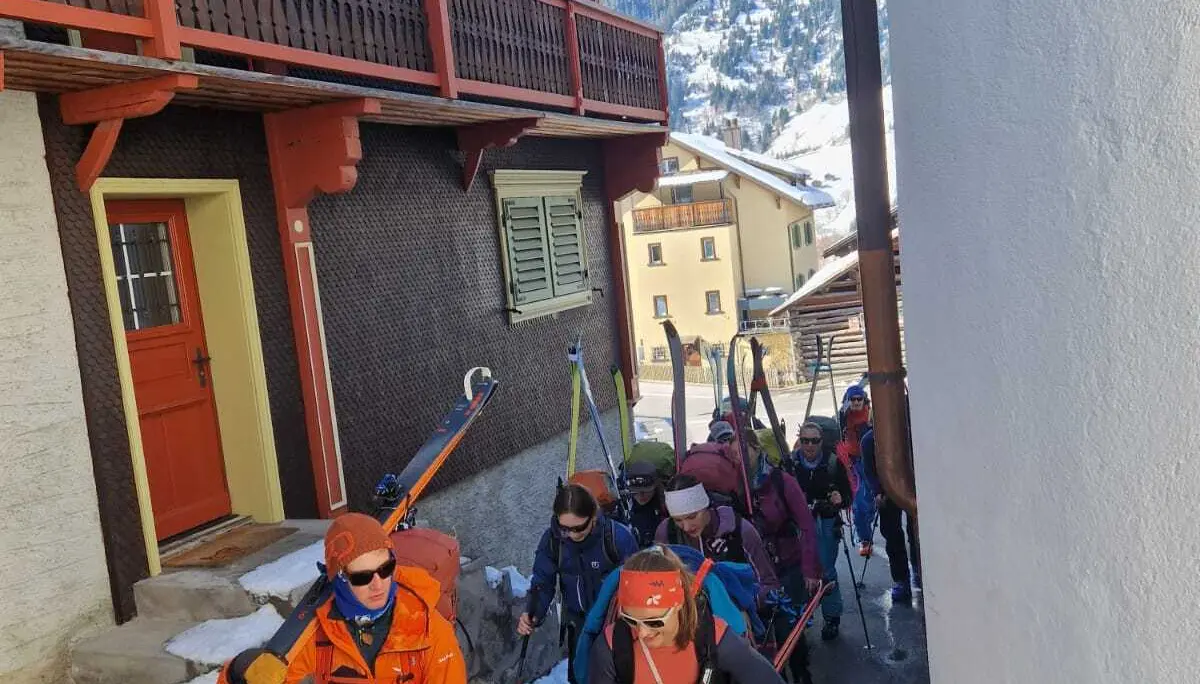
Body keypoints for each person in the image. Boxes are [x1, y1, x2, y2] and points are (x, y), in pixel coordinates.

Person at [219, 513, 466, 684]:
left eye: (385, 569)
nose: (378, 584)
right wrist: (242, 668)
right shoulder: (318, 632)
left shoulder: (429, 631)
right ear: (340, 578)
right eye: (362, 577)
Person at [587, 547, 786, 684]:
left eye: (654, 622)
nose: (642, 632)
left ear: (679, 605)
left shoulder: (710, 634)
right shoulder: (611, 646)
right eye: (630, 620)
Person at [521, 483, 639, 683]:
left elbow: (638, 582)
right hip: (578, 625)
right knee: (580, 676)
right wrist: (533, 613)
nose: (572, 534)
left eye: (579, 528)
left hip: (613, 624)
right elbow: (543, 581)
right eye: (564, 528)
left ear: (593, 517)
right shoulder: (553, 541)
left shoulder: (616, 537)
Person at [653, 475, 781, 609]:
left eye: (692, 517)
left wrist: (746, 604)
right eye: (677, 520)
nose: (686, 527)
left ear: (705, 506)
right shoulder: (666, 532)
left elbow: (768, 583)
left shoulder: (739, 530)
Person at [791, 422, 853, 640]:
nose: (809, 445)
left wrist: (839, 499)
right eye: (805, 440)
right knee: (800, 571)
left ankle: (831, 618)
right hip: (798, 525)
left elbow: (848, 496)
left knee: (825, 571)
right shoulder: (791, 463)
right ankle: (801, 616)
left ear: (821, 441)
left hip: (825, 524)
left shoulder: (833, 463)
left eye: (814, 440)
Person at [861, 427, 922, 601]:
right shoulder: (868, 441)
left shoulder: (911, 431)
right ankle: (902, 580)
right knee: (893, 536)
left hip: (914, 486)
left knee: (916, 532)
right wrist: (877, 491)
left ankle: (919, 570)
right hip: (886, 490)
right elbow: (868, 470)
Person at [626, 461, 668, 548]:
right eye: (636, 491)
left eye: (646, 491)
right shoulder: (625, 505)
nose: (641, 496)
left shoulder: (666, 504)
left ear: (656, 486)